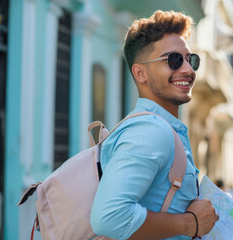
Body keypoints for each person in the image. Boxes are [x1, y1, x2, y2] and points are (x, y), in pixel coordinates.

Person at [90, 10, 219, 240]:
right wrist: (191, 223)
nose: (188, 70)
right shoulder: (151, 131)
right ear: (140, 73)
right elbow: (108, 217)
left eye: (191, 60)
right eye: (173, 60)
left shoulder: (161, 128)